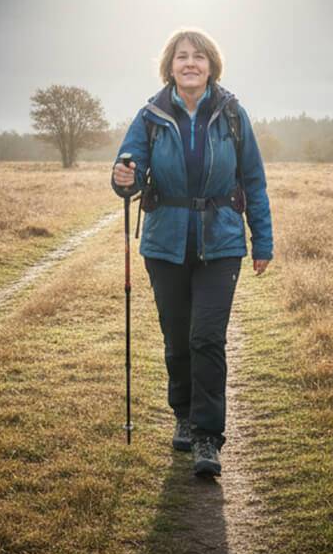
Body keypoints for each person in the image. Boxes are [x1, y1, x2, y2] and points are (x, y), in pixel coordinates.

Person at [111, 27, 274, 478]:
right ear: (170, 65)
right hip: (165, 244)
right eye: (182, 56)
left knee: (207, 337)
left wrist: (262, 240)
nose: (190, 64)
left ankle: (207, 437)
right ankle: (182, 413)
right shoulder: (150, 116)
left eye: (199, 57)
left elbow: (254, 181)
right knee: (177, 338)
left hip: (221, 242)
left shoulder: (233, 114)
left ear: (211, 65)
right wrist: (123, 178)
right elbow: (128, 168)